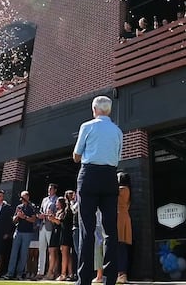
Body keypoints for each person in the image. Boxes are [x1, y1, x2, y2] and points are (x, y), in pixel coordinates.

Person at [73, 96, 124, 285]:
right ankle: (110, 280)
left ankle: (83, 280)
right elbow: (117, 157)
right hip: (110, 176)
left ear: (94, 108)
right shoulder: (118, 131)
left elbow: (77, 156)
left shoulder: (87, 126)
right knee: (111, 230)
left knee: (87, 229)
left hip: (89, 175)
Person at [2, 191, 37, 280]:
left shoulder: (31, 207)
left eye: (24, 197)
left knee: (23, 254)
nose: (22, 199)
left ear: (28, 197)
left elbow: (33, 220)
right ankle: (10, 273)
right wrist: (18, 216)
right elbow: (14, 220)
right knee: (14, 253)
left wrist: (24, 217)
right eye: (21, 197)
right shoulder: (19, 207)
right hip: (18, 232)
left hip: (27, 233)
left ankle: (19, 274)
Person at [36, 183, 59, 279]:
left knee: (52, 250)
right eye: (48, 189)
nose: (49, 190)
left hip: (51, 226)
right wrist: (40, 215)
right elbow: (41, 211)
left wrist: (49, 215)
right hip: (42, 225)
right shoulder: (44, 199)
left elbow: (57, 212)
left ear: (55, 190)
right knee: (42, 249)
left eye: (51, 189)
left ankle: (53, 271)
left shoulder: (57, 200)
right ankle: (40, 272)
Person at [50, 197, 74, 281]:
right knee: (67, 254)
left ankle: (63, 274)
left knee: (65, 254)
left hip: (65, 234)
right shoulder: (67, 211)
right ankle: (70, 273)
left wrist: (53, 218)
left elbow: (61, 221)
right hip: (65, 233)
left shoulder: (66, 211)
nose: (56, 204)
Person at [116, 173, 133, 284]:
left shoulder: (121, 189)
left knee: (120, 246)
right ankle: (121, 273)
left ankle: (121, 273)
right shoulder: (128, 190)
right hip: (125, 216)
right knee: (122, 246)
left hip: (119, 218)